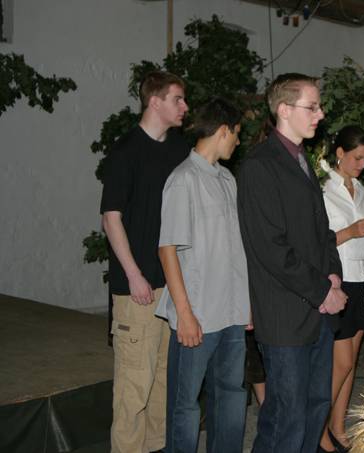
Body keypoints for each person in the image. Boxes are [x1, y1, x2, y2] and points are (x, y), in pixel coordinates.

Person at [237, 73, 348, 453]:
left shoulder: (300, 159)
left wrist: (333, 275)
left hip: (318, 310)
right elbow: (270, 247)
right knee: (287, 419)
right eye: (312, 107)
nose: (320, 114)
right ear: (284, 110)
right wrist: (322, 291)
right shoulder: (260, 165)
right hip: (285, 315)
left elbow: (321, 231)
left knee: (315, 408)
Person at [100, 71, 189, 453]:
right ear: (155, 101)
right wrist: (134, 275)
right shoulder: (126, 151)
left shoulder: (180, 149)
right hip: (137, 290)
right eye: (177, 99)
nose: (185, 107)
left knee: (162, 386)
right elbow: (111, 218)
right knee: (133, 390)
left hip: (171, 286)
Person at [156, 98, 250, 452]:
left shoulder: (227, 179)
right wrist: (184, 314)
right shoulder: (183, 180)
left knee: (231, 395)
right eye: (237, 134)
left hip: (232, 314)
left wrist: (246, 304)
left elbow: (235, 249)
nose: (238, 142)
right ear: (223, 130)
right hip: (197, 315)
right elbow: (167, 249)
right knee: (185, 405)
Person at [319, 125, 364, 453]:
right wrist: (351, 231)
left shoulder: (363, 191)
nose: (362, 165)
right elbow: (319, 240)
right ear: (339, 153)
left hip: (360, 278)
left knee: (351, 361)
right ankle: (315, 426)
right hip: (337, 279)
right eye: (357, 158)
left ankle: (338, 427)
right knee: (339, 363)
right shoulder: (322, 188)